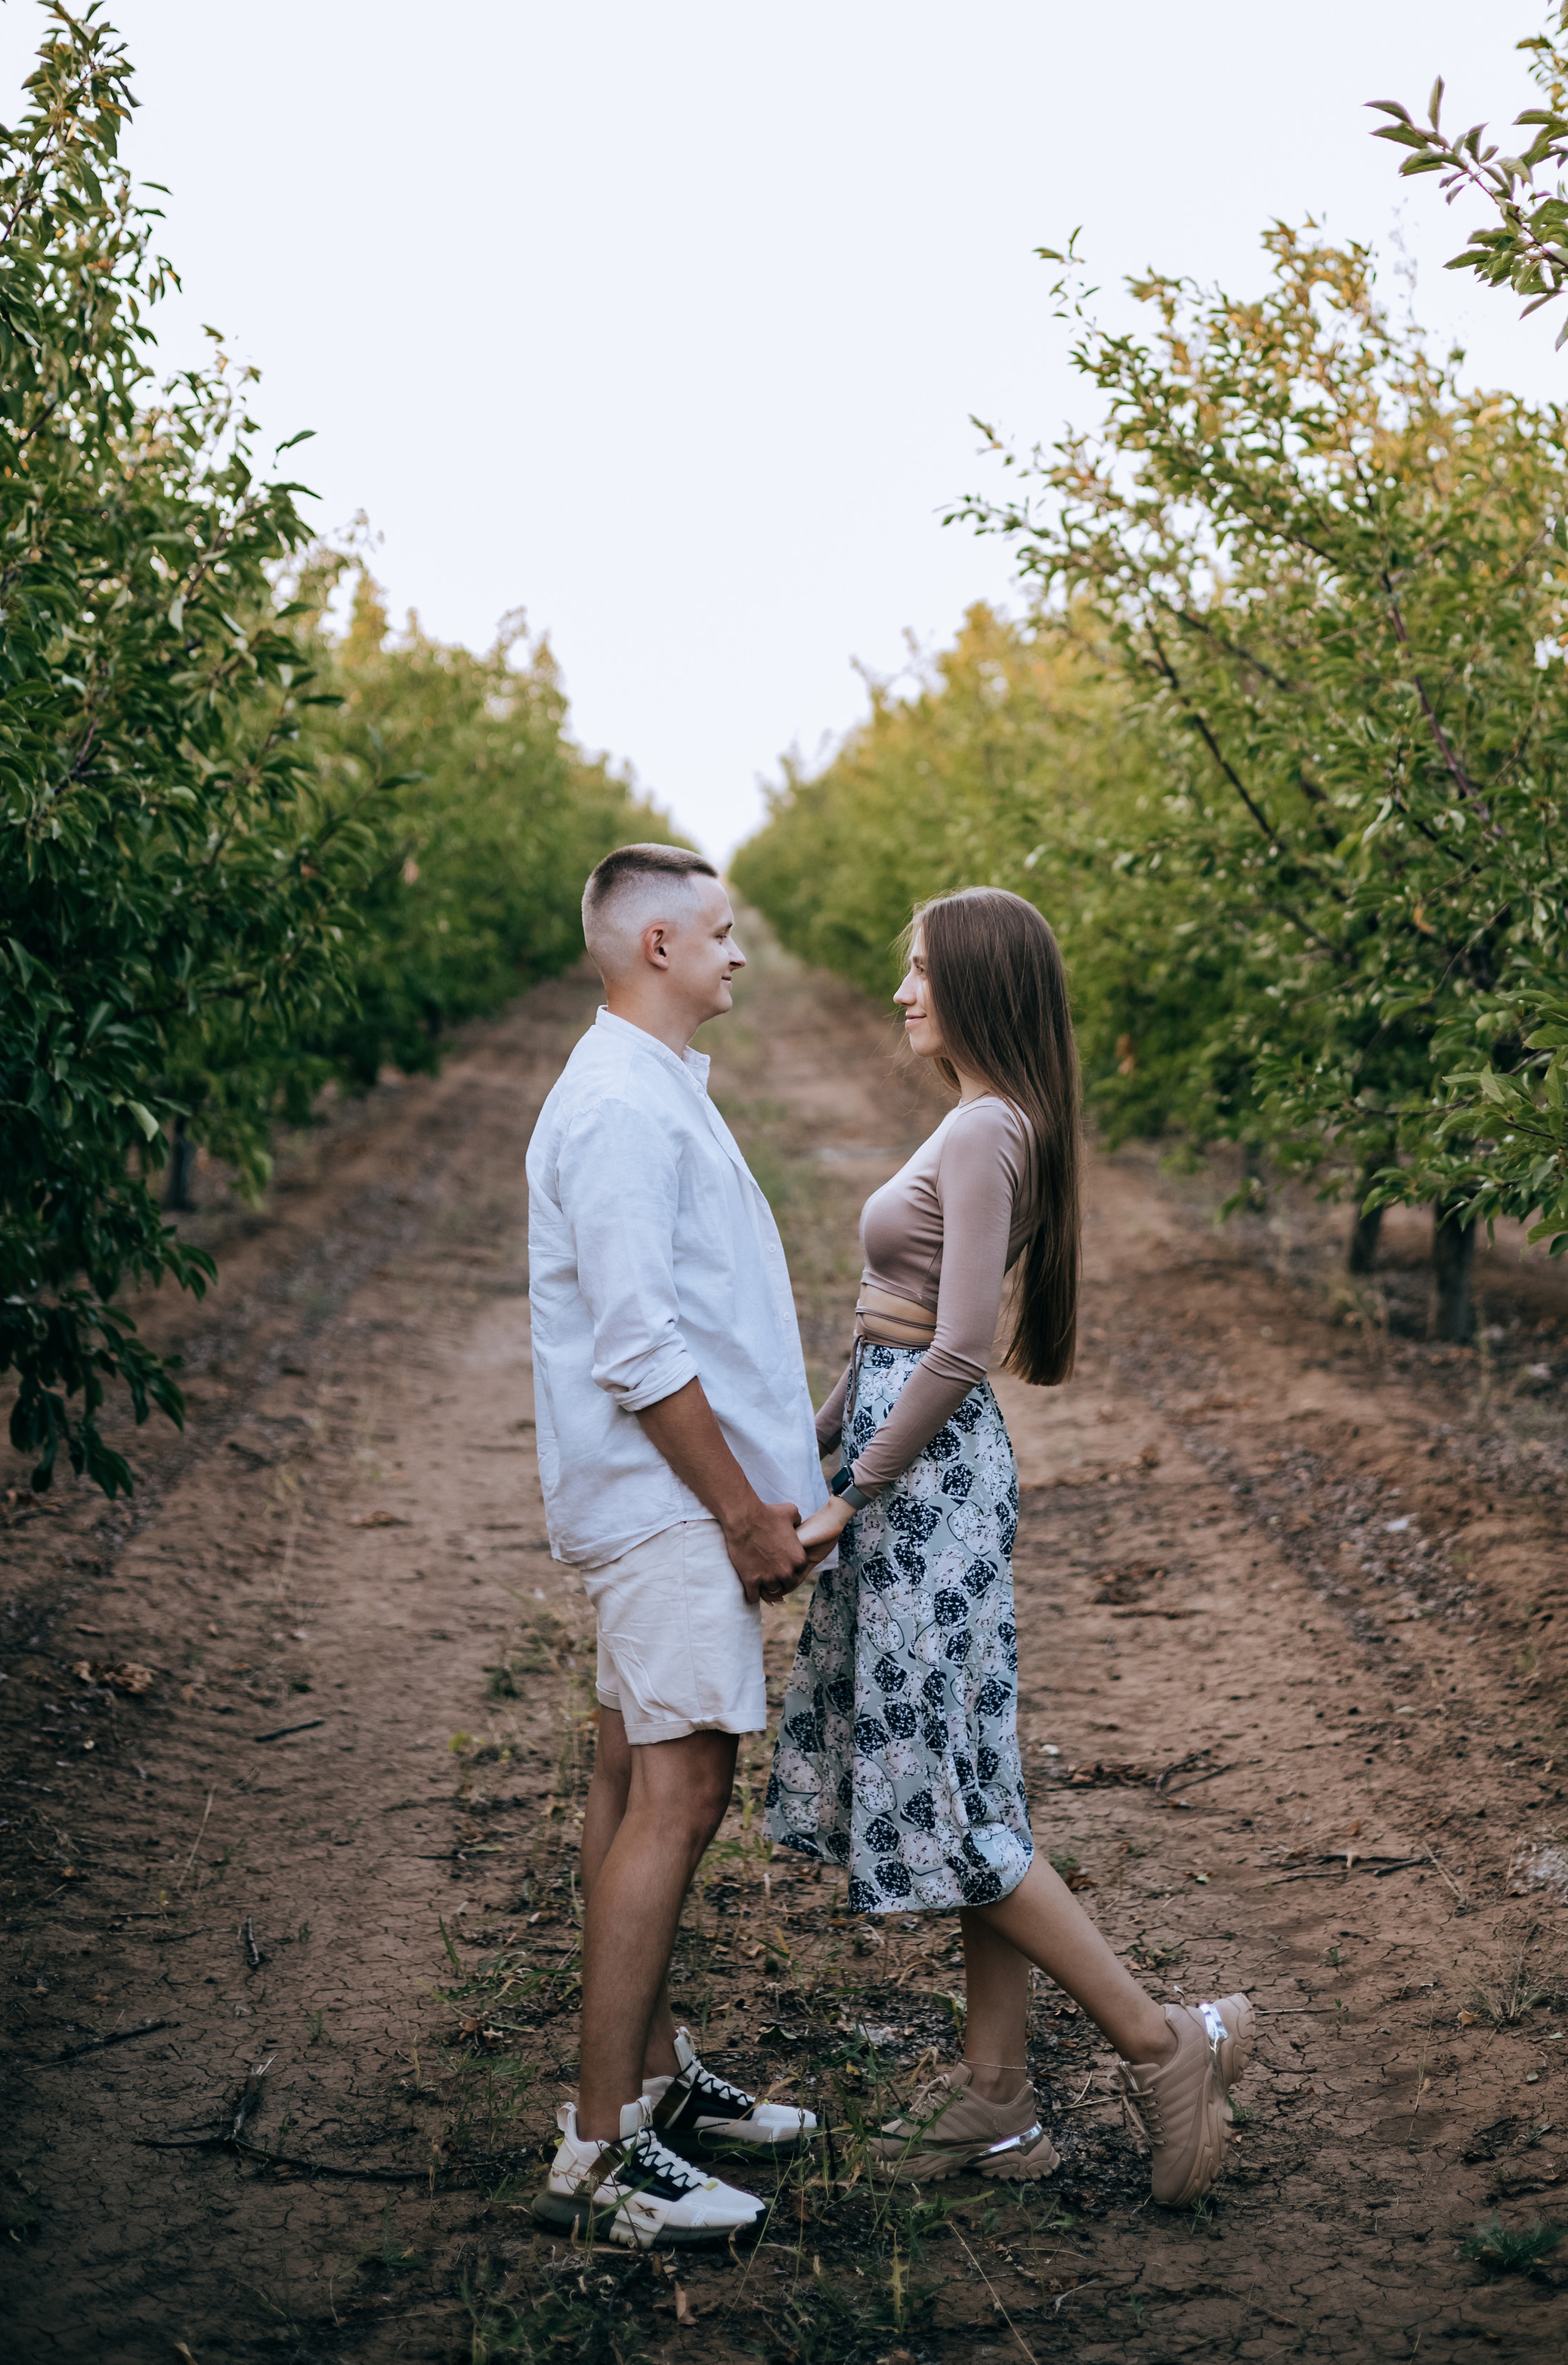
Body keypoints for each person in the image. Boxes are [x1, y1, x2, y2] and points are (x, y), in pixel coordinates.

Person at [765, 887, 1252, 2206]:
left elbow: (958, 1348)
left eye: (922, 971)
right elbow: (887, 1330)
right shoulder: (979, 1117)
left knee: (951, 1794)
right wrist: (808, 1450)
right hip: (914, 1466)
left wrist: (851, 1492)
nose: (901, 992)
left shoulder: (987, 1129)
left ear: (979, 983)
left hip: (928, 1485)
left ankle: (1164, 2044)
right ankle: (997, 2100)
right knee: (973, 1786)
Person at [526, 843, 825, 2243]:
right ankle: (602, 2150)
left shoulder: (649, 1088)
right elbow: (637, 1345)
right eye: (719, 930)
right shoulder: (618, 1109)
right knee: (683, 1794)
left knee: (627, 1776)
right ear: (658, 946)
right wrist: (743, 1514)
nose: (738, 951)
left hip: (663, 1505)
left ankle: (648, 2082)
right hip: (669, 1510)